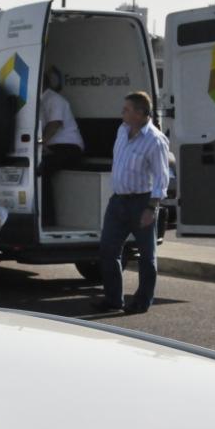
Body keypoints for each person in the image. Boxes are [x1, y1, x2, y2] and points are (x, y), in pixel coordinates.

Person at [95, 91, 170, 315]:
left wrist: (151, 207)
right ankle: (113, 299)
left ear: (139, 113)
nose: (122, 113)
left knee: (147, 256)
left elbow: (161, 178)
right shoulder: (122, 130)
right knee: (108, 250)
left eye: (126, 109)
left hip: (142, 202)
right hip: (118, 200)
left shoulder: (155, 140)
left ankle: (141, 301)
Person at [39, 66, 84, 226]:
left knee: (41, 169)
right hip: (55, 148)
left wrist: (40, 143)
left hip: (70, 147)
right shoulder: (41, 100)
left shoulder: (54, 99)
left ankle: (47, 219)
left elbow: (55, 123)